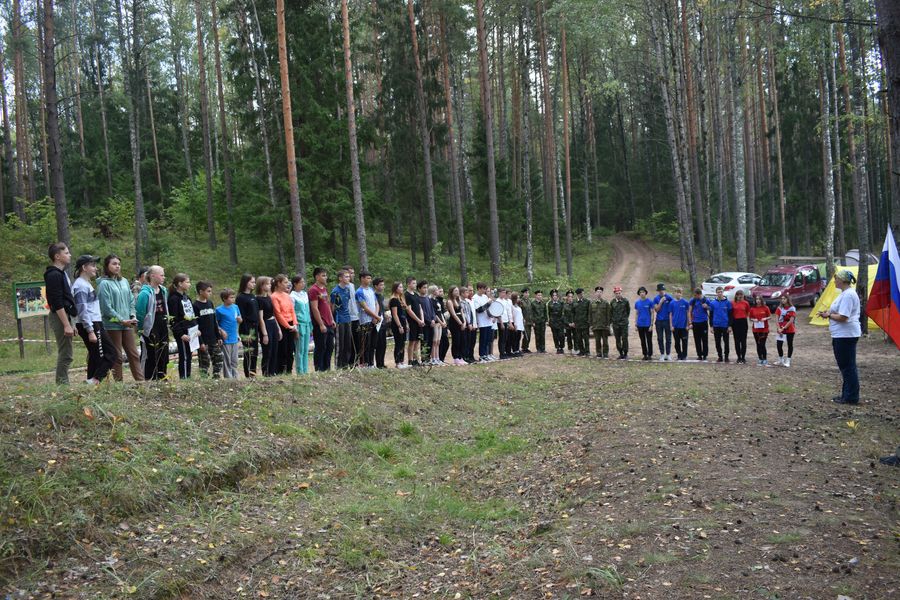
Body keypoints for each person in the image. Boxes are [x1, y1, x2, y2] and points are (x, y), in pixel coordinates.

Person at [817, 270, 861, 405]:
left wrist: (828, 316)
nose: (834, 281)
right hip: (842, 334)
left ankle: (851, 397)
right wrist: (828, 312)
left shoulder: (848, 295)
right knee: (846, 366)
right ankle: (846, 394)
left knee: (848, 367)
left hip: (845, 335)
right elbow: (839, 312)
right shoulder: (844, 294)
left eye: (836, 279)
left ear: (842, 280)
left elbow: (843, 317)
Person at [73, 255, 118, 384]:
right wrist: (90, 330)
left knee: (95, 355)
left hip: (95, 322)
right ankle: (96, 379)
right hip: (91, 323)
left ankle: (90, 383)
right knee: (110, 353)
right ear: (84, 267)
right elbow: (82, 309)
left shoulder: (86, 284)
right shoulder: (80, 286)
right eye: (92, 265)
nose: (95, 268)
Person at [98, 254, 144, 381]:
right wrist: (121, 320)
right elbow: (106, 308)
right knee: (117, 356)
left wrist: (132, 315)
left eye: (118, 263)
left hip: (128, 323)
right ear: (107, 266)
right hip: (112, 324)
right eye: (114, 263)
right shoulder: (103, 284)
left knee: (134, 354)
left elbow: (131, 301)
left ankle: (141, 382)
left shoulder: (124, 281)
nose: (117, 266)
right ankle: (119, 383)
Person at [44, 242, 76, 385]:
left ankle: (63, 383)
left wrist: (71, 323)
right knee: (66, 354)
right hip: (59, 316)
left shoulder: (61, 274)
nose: (69, 255)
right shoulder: (53, 275)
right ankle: (62, 385)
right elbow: (57, 303)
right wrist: (66, 325)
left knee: (67, 352)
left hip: (66, 316)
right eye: (66, 253)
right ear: (57, 256)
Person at [136, 266, 169, 380]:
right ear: (152, 276)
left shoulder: (164, 290)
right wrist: (141, 331)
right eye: (161, 275)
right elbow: (140, 313)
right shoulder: (144, 294)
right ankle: (147, 379)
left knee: (163, 352)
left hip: (163, 325)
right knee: (150, 355)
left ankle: (162, 377)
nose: (163, 277)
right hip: (150, 327)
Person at [168, 273, 196, 379]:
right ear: (180, 284)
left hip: (190, 331)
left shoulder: (187, 297)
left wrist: (195, 328)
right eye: (187, 282)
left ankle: (188, 377)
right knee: (184, 356)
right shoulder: (174, 299)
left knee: (189, 355)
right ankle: (184, 378)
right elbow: (173, 319)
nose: (189, 284)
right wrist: (180, 334)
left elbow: (191, 314)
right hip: (182, 333)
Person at [194, 281, 223, 378]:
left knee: (218, 358)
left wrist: (218, 336)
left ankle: (216, 377)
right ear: (201, 292)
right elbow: (195, 325)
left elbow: (214, 321)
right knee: (204, 362)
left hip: (213, 338)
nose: (210, 293)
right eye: (208, 291)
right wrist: (200, 342)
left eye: (211, 291)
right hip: (203, 340)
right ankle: (204, 379)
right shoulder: (195, 306)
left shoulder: (210, 303)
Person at [308, 267, 336, 371]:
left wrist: (332, 319)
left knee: (329, 347)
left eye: (326, 275)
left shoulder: (324, 289)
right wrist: (320, 324)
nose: (326, 277)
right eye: (323, 275)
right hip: (321, 324)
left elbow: (327, 305)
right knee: (321, 347)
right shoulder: (313, 290)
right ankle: (319, 369)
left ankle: (327, 368)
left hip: (329, 322)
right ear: (317, 277)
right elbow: (314, 308)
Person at [272, 274, 298, 374]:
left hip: (291, 324)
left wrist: (295, 324)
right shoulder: (274, 297)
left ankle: (289, 370)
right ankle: (280, 371)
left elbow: (292, 310)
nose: (288, 284)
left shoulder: (287, 295)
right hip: (282, 325)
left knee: (290, 349)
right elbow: (278, 313)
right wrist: (288, 326)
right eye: (285, 282)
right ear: (278, 283)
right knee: (282, 350)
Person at [355, 272, 381, 368]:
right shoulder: (359, 292)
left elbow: (376, 304)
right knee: (365, 344)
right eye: (367, 278)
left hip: (373, 320)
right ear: (362, 279)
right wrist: (376, 317)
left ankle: (371, 363)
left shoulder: (370, 290)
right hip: (364, 321)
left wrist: (375, 316)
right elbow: (365, 307)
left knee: (372, 344)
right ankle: (364, 363)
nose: (369, 280)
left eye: (370, 278)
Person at [255, 276, 280, 376]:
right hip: (266, 325)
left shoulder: (269, 297)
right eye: (268, 284)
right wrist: (264, 334)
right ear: (261, 285)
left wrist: (278, 329)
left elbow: (273, 314)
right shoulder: (258, 299)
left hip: (273, 323)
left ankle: (272, 371)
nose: (270, 286)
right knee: (267, 350)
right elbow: (260, 318)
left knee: (274, 349)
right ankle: (266, 373)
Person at [236, 274, 259, 377]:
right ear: (246, 283)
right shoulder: (241, 297)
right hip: (247, 328)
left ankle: (253, 374)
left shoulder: (253, 296)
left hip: (255, 327)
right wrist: (245, 332)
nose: (254, 284)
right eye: (252, 282)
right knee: (248, 353)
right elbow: (242, 316)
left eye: (254, 282)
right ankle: (248, 375)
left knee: (255, 353)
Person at [216, 289, 242, 379]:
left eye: (234, 297)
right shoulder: (219, 310)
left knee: (234, 360)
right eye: (231, 297)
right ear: (224, 298)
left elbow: (239, 319)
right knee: (227, 360)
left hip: (234, 337)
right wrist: (221, 331)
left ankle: (235, 377)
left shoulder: (235, 307)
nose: (233, 299)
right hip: (226, 338)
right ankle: (228, 379)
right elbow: (215, 324)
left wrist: (240, 320)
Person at [331, 270, 354, 369]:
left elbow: (346, 304)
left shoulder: (347, 290)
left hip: (347, 319)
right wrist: (333, 320)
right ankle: (338, 365)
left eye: (349, 276)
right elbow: (332, 307)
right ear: (340, 278)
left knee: (347, 343)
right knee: (340, 344)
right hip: (339, 319)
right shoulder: (335, 291)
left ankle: (345, 364)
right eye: (346, 276)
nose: (348, 278)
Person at [291, 275, 312, 375]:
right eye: (301, 282)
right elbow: (292, 312)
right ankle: (300, 372)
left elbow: (308, 311)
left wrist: (310, 324)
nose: (303, 284)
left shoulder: (305, 294)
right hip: (299, 324)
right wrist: (295, 326)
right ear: (295, 284)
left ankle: (305, 370)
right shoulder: (292, 296)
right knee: (299, 349)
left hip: (307, 323)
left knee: (305, 349)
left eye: (304, 282)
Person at [708, 286, 733, 363]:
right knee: (717, 342)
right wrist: (711, 326)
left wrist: (730, 325)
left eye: (721, 292)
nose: (720, 293)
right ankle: (720, 356)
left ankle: (726, 357)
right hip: (716, 325)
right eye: (718, 292)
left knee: (726, 342)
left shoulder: (727, 303)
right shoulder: (712, 303)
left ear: (723, 292)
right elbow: (710, 315)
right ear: (716, 293)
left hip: (725, 325)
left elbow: (730, 315)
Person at [404, 278, 424, 367]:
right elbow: (409, 310)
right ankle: (410, 360)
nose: (415, 285)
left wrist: (422, 319)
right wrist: (418, 320)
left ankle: (416, 359)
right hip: (412, 321)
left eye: (415, 283)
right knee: (412, 341)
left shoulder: (416, 295)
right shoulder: (406, 295)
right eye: (413, 283)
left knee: (417, 340)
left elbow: (420, 308)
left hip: (419, 321)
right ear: (408, 284)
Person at [344, 265, 361, 366]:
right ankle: (349, 363)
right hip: (348, 318)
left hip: (356, 316)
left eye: (353, 273)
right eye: (350, 273)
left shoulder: (352, 286)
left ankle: (355, 362)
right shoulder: (342, 287)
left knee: (357, 340)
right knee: (349, 342)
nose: (352, 275)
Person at [473, 283, 495, 361]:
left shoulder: (485, 296)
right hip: (482, 321)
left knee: (488, 339)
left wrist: (492, 315)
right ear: (479, 288)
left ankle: (486, 354)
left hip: (488, 320)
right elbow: (479, 310)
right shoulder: (475, 298)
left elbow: (488, 308)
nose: (485, 290)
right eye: (483, 288)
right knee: (483, 339)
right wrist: (488, 303)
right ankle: (482, 355)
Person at [389, 282, 409, 368]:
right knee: (398, 342)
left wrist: (406, 324)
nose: (402, 288)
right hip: (397, 323)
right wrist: (399, 326)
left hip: (403, 322)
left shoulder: (401, 299)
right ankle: (397, 362)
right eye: (400, 287)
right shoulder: (393, 300)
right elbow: (395, 314)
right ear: (396, 288)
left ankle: (401, 361)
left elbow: (404, 313)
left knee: (403, 343)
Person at [652, 283, 674, 361]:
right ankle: (662, 354)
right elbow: (656, 309)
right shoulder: (655, 299)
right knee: (660, 338)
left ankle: (668, 354)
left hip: (667, 321)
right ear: (658, 291)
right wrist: (661, 302)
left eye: (663, 290)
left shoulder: (669, 298)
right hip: (659, 321)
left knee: (668, 339)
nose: (662, 291)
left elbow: (673, 308)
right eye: (660, 290)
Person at [749, 295, 772, 366]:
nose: (758, 300)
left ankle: (765, 359)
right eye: (756, 299)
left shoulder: (766, 308)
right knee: (758, 344)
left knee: (762, 344)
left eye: (759, 299)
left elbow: (770, 316)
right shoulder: (753, 308)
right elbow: (750, 318)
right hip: (756, 329)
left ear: (761, 300)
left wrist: (765, 319)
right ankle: (760, 359)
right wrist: (754, 319)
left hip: (764, 329)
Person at [688, 288, 710, 361]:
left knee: (704, 339)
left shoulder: (706, 300)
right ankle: (699, 355)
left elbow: (711, 309)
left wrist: (706, 307)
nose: (694, 296)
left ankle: (705, 355)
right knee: (697, 340)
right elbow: (689, 311)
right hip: (695, 322)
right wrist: (690, 322)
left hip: (703, 322)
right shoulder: (693, 300)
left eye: (695, 295)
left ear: (699, 294)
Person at [774, 294, 796, 367]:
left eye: (784, 299)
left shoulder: (792, 308)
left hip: (789, 329)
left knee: (790, 344)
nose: (783, 300)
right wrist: (778, 328)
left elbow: (791, 320)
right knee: (779, 345)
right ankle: (781, 359)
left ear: (788, 299)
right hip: (780, 329)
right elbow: (777, 319)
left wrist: (784, 328)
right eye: (782, 299)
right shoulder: (779, 308)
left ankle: (788, 360)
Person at [589, 287, 612, 358]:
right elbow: (590, 315)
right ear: (595, 293)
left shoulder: (606, 303)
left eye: (600, 292)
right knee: (597, 341)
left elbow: (609, 315)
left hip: (604, 325)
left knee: (605, 341)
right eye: (597, 292)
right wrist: (591, 325)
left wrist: (608, 324)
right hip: (595, 325)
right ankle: (598, 353)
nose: (599, 293)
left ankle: (605, 353)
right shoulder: (592, 303)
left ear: (602, 293)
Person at [634, 286, 655, 361]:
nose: (642, 293)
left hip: (648, 324)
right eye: (640, 292)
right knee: (642, 340)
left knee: (649, 340)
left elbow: (652, 313)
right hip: (640, 324)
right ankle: (645, 354)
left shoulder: (650, 302)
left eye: (643, 292)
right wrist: (636, 324)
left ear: (645, 293)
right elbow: (636, 313)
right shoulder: (637, 303)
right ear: (639, 294)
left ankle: (650, 354)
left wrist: (651, 324)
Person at [418, 281, 437, 363]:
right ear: (419, 288)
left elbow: (432, 310)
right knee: (424, 341)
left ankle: (428, 358)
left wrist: (433, 319)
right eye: (424, 288)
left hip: (431, 324)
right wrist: (429, 321)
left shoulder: (428, 299)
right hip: (425, 324)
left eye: (426, 287)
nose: (425, 289)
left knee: (430, 341)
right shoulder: (418, 299)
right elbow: (422, 312)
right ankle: (424, 358)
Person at [670, 287, 690, 361]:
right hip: (675, 326)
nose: (678, 294)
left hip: (684, 326)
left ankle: (684, 355)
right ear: (674, 293)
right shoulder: (672, 303)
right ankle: (679, 354)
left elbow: (688, 313)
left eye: (679, 292)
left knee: (684, 342)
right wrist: (671, 325)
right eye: (676, 292)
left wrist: (688, 324)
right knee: (677, 342)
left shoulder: (685, 302)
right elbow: (670, 315)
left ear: (681, 294)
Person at [731, 290, 751, 364]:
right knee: (737, 341)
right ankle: (738, 357)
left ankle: (743, 357)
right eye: (738, 295)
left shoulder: (746, 303)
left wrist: (746, 317)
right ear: (736, 295)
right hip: (735, 322)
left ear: (743, 295)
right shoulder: (732, 303)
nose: (740, 296)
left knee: (743, 341)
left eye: (741, 295)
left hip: (743, 322)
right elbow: (731, 313)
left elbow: (748, 312)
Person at [447, 286, 465, 365]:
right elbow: (453, 314)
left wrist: (464, 322)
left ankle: (461, 357)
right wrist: (460, 323)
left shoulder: (459, 300)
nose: (457, 292)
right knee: (456, 340)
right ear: (451, 292)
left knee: (462, 340)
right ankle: (456, 357)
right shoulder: (449, 301)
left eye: (458, 291)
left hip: (461, 320)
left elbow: (462, 312)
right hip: (454, 322)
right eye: (455, 291)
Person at [610, 286, 630, 360]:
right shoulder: (612, 302)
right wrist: (613, 321)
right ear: (614, 294)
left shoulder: (625, 301)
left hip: (624, 324)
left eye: (619, 293)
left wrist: (624, 319)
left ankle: (625, 353)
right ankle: (620, 353)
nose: (618, 294)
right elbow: (611, 312)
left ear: (621, 293)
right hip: (616, 324)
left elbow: (628, 311)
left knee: (624, 339)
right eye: (616, 293)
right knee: (617, 339)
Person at [428, 284, 446, 365]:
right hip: (436, 322)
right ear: (433, 291)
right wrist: (440, 321)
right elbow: (434, 313)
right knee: (434, 341)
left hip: (440, 322)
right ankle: (433, 358)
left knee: (438, 341)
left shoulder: (437, 300)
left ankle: (438, 358)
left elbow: (440, 312)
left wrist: (443, 321)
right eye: (436, 290)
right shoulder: (430, 300)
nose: (438, 291)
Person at [373, 278, 388, 369]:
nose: (383, 287)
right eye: (381, 285)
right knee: (377, 344)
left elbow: (382, 309)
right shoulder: (373, 296)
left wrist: (385, 315)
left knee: (383, 344)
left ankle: (381, 363)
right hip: (376, 323)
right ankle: (377, 363)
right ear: (376, 286)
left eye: (383, 285)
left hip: (383, 323)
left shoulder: (381, 297)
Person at [572, 288, 591, 357]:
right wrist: (573, 321)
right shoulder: (574, 302)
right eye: (581, 294)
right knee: (579, 338)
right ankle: (581, 351)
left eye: (583, 293)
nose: (582, 295)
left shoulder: (587, 301)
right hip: (577, 323)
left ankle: (587, 351)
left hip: (585, 323)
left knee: (586, 338)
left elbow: (589, 312)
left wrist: (589, 321)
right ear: (578, 295)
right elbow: (573, 313)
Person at [548, 290, 566, 354]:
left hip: (560, 322)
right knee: (555, 336)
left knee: (561, 335)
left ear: (557, 296)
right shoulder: (550, 304)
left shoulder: (561, 303)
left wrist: (563, 320)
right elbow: (549, 313)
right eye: (553, 295)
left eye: (556, 295)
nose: (554, 297)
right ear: (551, 297)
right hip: (553, 322)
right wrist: (550, 321)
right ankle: (557, 347)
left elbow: (563, 312)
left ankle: (561, 347)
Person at [463, 286, 478, 362]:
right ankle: (466, 356)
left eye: (472, 290)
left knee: (473, 341)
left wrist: (475, 323)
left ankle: (471, 356)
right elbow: (468, 314)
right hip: (469, 324)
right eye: (469, 291)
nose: (471, 292)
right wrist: (470, 323)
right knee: (467, 342)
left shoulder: (473, 300)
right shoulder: (465, 301)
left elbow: (474, 313)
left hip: (474, 324)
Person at [563, 290, 576, 354]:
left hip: (574, 324)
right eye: (569, 296)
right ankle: (570, 349)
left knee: (576, 337)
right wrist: (568, 323)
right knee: (569, 337)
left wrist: (574, 322)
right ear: (567, 297)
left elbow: (577, 314)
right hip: (567, 324)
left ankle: (576, 349)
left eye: (572, 296)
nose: (570, 298)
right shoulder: (564, 305)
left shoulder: (576, 304)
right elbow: (563, 316)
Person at [521, 288, 532, 353]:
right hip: (524, 321)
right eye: (526, 293)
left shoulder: (529, 301)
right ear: (523, 293)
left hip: (529, 320)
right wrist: (522, 319)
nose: (527, 294)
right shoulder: (521, 301)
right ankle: (524, 347)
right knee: (526, 334)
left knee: (529, 335)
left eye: (528, 293)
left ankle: (526, 347)